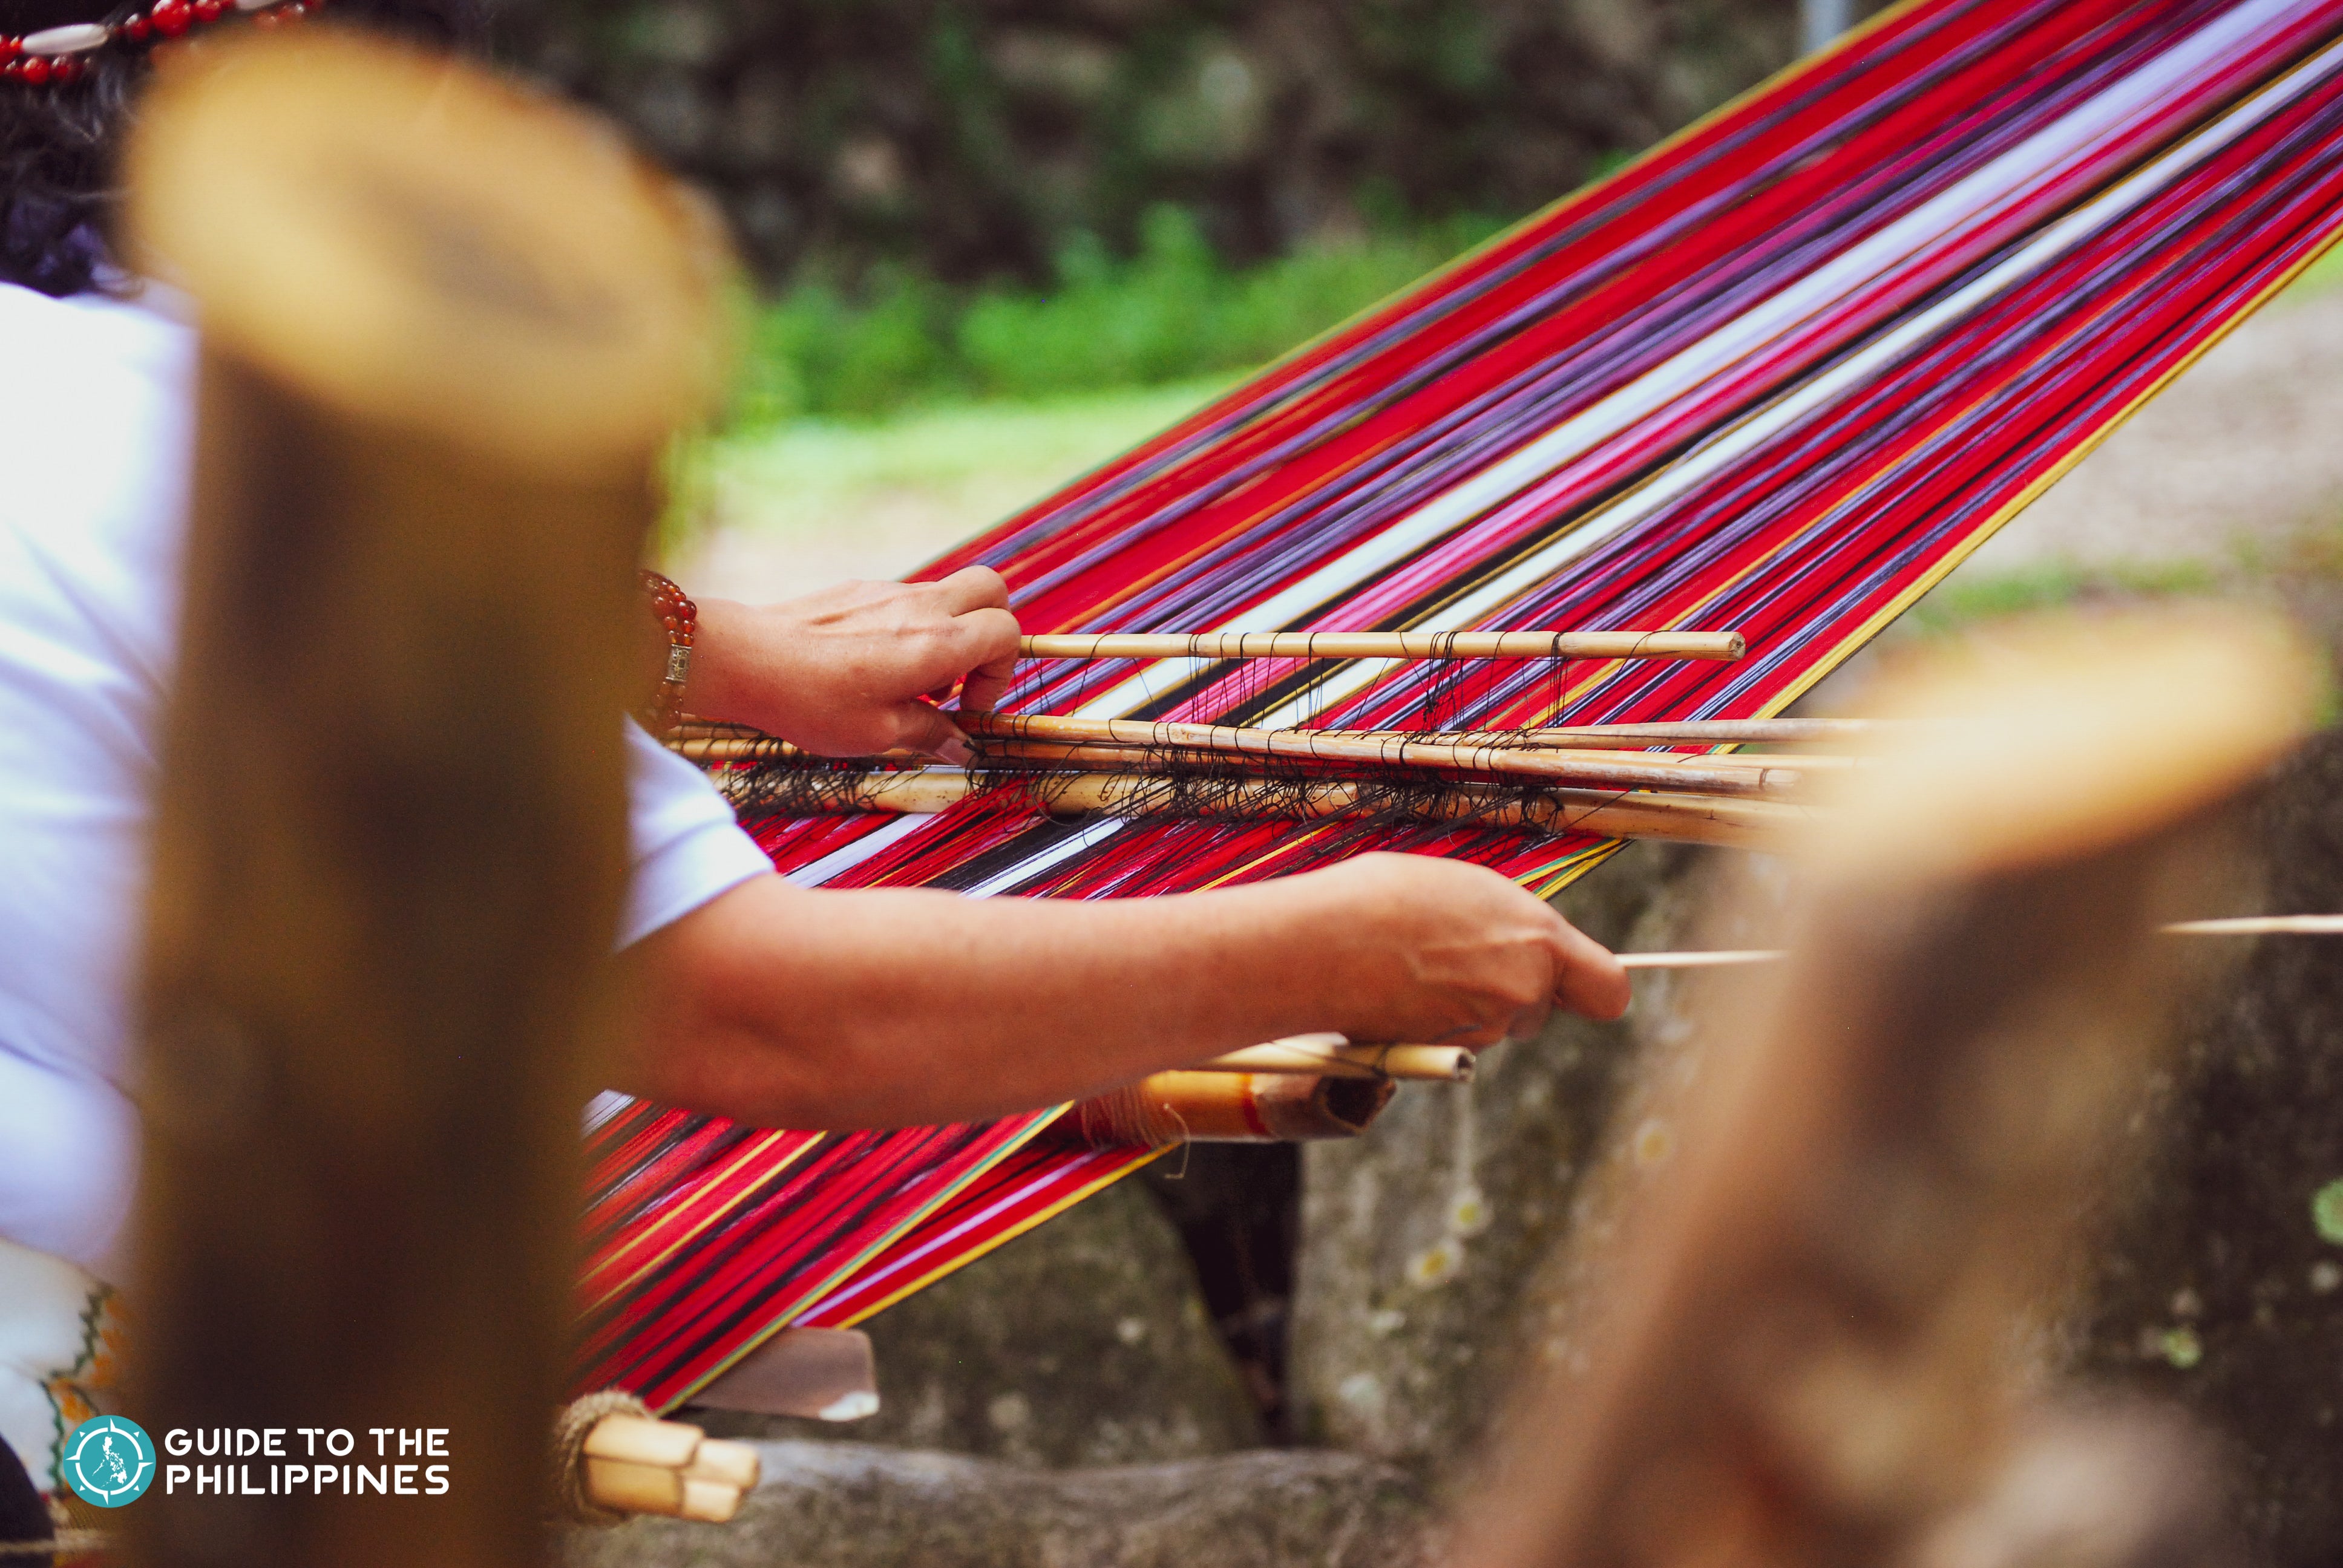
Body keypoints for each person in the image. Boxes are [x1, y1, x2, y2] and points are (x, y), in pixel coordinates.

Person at [0, 0, 1628, 1521]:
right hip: (128, 1431)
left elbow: (202, 597)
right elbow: (755, 1009)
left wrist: (701, 648)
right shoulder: (218, 441)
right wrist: (1333, 941)